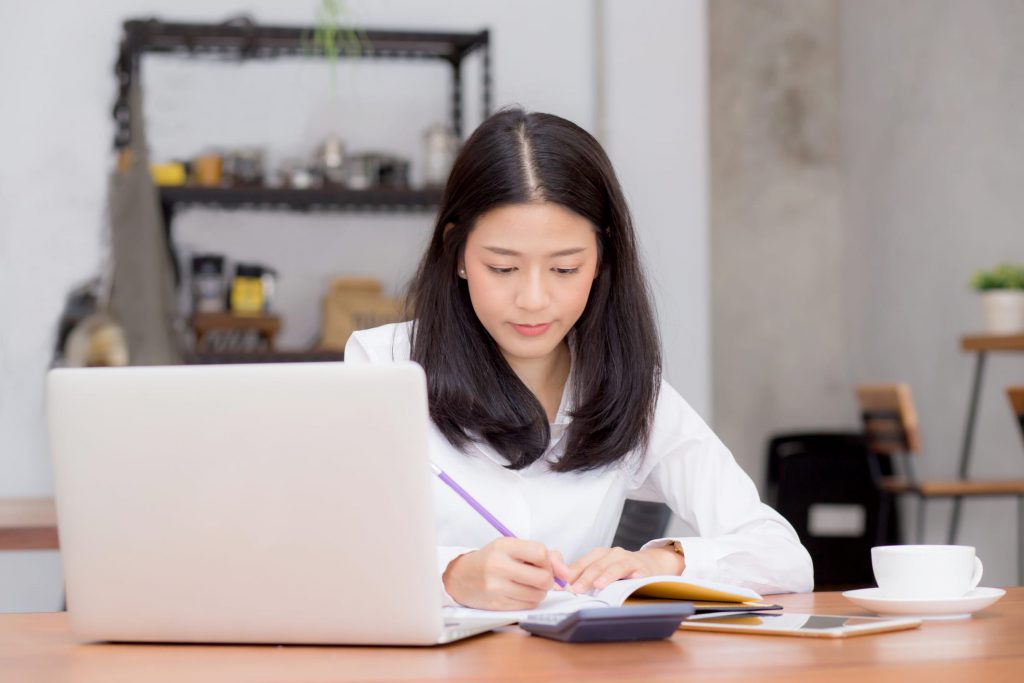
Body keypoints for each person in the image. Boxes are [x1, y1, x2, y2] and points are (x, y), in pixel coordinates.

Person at [345, 108, 813, 611]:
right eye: (502, 267)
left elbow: (783, 557)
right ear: (457, 253)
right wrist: (450, 574)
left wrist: (665, 561)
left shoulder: (624, 389)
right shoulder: (386, 368)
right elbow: (331, 556)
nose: (533, 298)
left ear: (602, 259)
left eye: (565, 268)